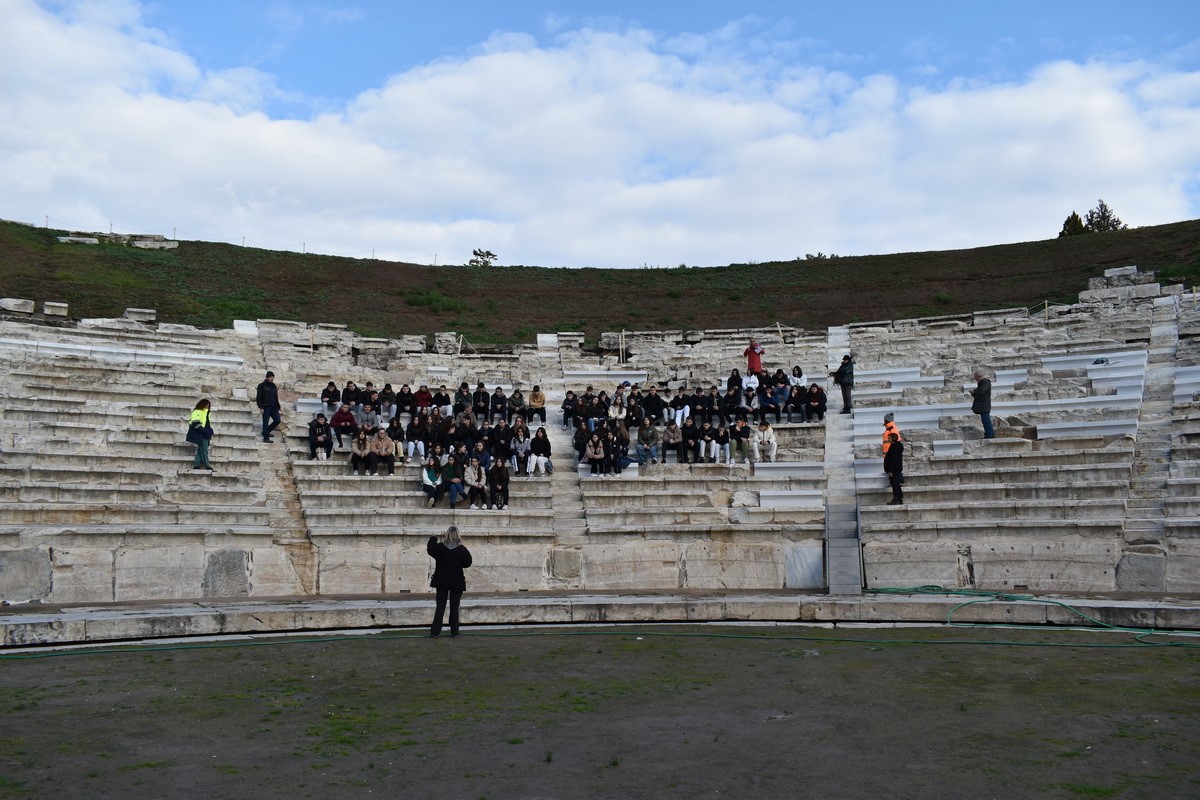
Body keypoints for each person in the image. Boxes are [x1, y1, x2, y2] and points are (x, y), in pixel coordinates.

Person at [427, 526, 473, 637]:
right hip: (456, 582)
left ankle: (435, 632)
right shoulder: (462, 549)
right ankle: (455, 632)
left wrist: (433, 538)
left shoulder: (439, 548)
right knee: (454, 607)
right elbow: (467, 563)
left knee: (440, 607)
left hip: (442, 581)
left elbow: (430, 549)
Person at [187, 399, 214, 471]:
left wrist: (210, 431)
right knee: (204, 450)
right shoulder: (197, 411)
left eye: (208, 405)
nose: (207, 406)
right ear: (202, 404)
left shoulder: (207, 413)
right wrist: (204, 431)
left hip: (206, 434)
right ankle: (207, 466)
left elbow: (207, 423)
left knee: (200, 449)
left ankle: (196, 465)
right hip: (201, 434)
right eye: (206, 405)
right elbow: (195, 423)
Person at [256, 370, 281, 442]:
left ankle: (266, 432)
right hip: (266, 407)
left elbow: (276, 397)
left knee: (277, 420)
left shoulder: (273, 386)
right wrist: (261, 407)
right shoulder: (261, 385)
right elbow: (259, 397)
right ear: (267, 377)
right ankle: (266, 438)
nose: (272, 378)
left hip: (274, 407)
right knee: (265, 422)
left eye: (272, 377)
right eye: (270, 377)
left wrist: (279, 407)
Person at [971, 370, 994, 439]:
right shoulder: (982, 383)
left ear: (979, 376)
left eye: (975, 377)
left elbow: (982, 392)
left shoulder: (986, 382)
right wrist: (973, 394)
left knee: (986, 420)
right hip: (982, 405)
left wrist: (975, 391)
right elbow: (980, 394)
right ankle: (988, 434)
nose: (975, 379)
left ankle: (990, 435)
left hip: (984, 405)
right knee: (985, 420)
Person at [884, 432, 904, 505]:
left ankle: (896, 498)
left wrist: (890, 470)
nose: (888, 439)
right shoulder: (898, 446)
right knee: (897, 484)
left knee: (895, 484)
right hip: (897, 468)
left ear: (893, 438)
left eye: (889, 438)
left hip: (894, 469)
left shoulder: (894, 447)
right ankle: (899, 499)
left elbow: (893, 459)